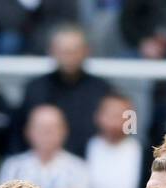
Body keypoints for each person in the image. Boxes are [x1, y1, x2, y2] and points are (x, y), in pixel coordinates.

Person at [19, 26, 111, 157]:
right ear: (51, 51)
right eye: (63, 51)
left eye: (74, 51)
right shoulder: (35, 89)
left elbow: (124, 124)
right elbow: (20, 133)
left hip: (92, 164)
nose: (69, 57)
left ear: (86, 51)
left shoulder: (102, 90)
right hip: (42, 164)